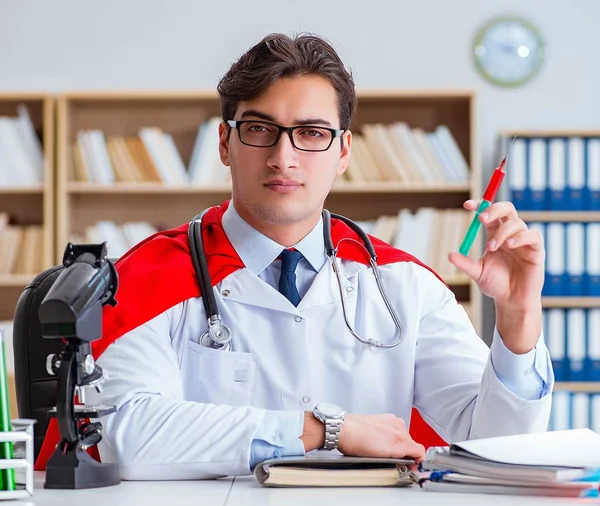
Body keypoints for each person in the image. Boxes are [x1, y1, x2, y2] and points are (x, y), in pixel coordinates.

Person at [37, 32, 553, 480]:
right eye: (260, 129)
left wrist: (517, 317)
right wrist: (325, 431)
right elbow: (127, 435)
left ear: (344, 151)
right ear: (224, 142)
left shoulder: (403, 285)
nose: (284, 157)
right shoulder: (148, 277)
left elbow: (495, 446)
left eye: (311, 133)